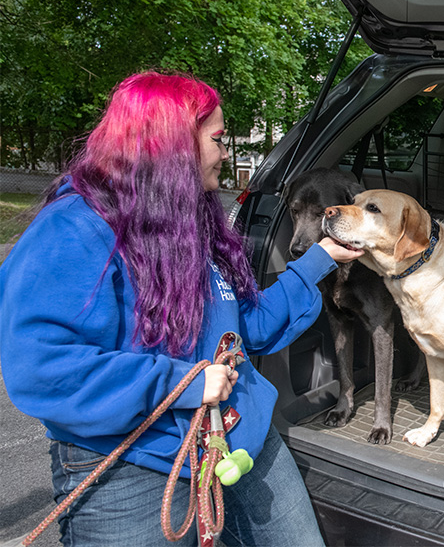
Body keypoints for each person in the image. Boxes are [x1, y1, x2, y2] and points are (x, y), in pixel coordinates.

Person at [0, 71, 362, 546]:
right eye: (217, 139)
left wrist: (320, 260)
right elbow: (43, 366)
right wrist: (182, 382)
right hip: (135, 463)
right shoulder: (75, 229)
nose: (226, 152)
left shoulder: (191, 224)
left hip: (238, 436)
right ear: (171, 145)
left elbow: (245, 328)